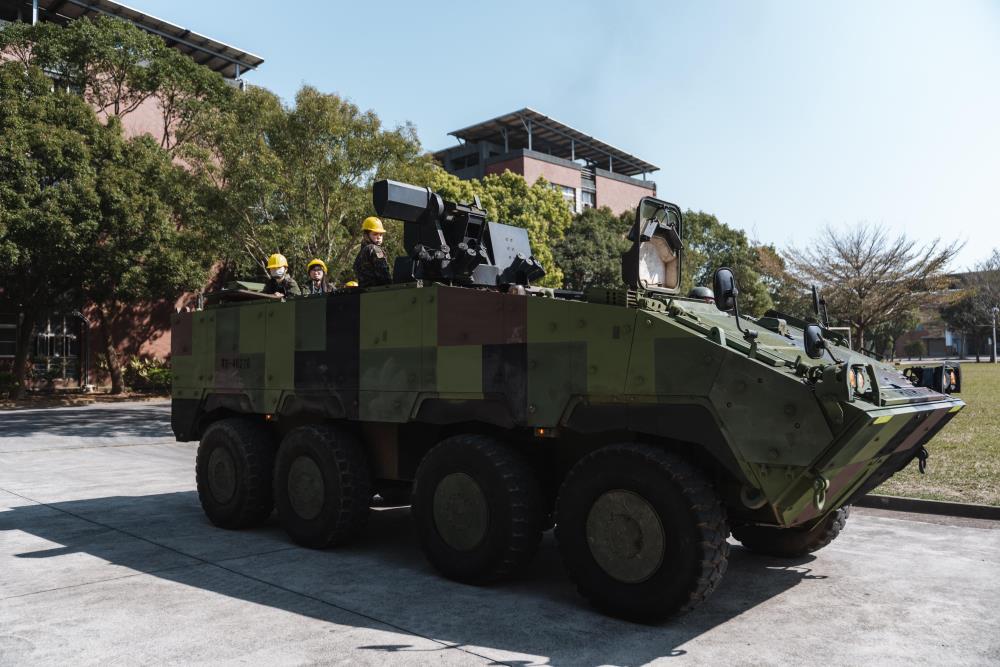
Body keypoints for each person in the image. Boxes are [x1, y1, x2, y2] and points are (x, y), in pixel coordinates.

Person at [352, 216, 392, 288]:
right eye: (375, 234)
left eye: (381, 234)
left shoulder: (360, 254)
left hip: (364, 293)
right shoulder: (375, 249)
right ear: (366, 235)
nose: (379, 237)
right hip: (378, 291)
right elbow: (383, 272)